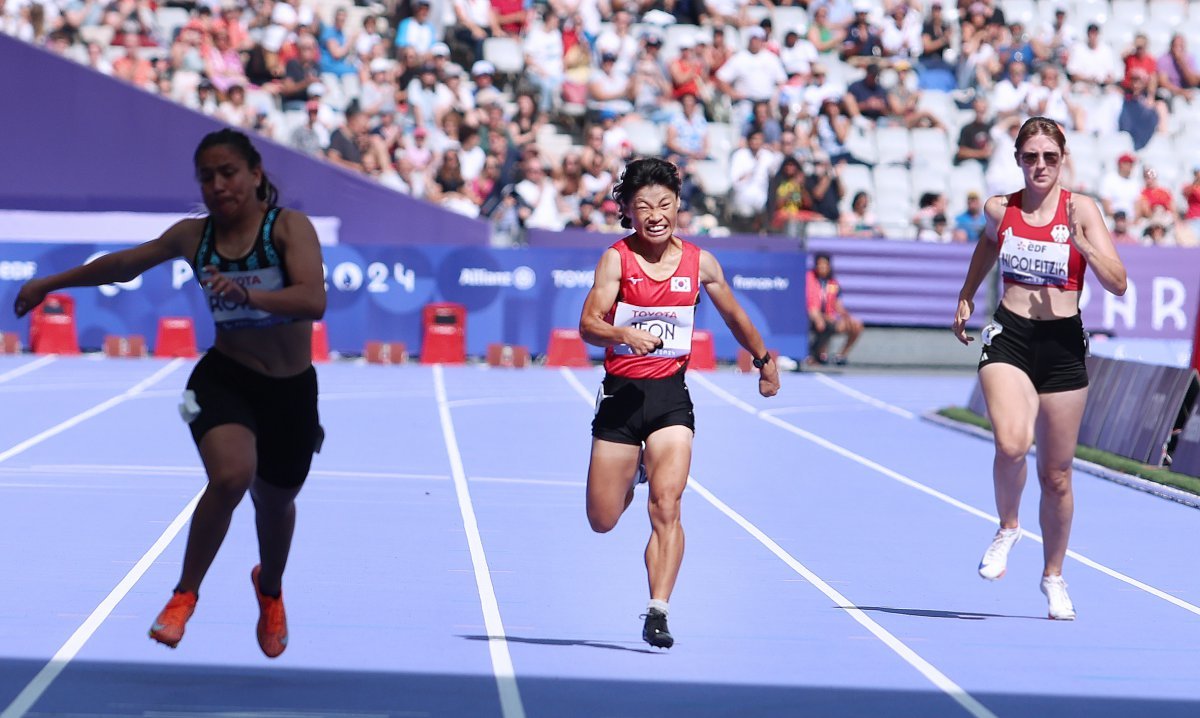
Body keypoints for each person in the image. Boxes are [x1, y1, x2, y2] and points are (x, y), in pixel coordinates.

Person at [13, 129, 327, 656]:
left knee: (276, 505)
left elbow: (312, 300)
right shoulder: (192, 236)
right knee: (230, 477)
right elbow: (123, 264)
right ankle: (185, 593)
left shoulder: (289, 228)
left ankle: (269, 590)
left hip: (290, 390)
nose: (218, 185)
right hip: (224, 378)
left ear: (254, 175)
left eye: (228, 173)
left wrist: (252, 295)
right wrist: (51, 282)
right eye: (206, 177)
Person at [578, 157, 780, 649]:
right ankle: (634, 470)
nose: (655, 214)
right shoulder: (616, 260)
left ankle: (658, 609)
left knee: (667, 505)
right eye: (643, 205)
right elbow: (588, 324)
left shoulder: (700, 262)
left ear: (677, 207)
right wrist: (622, 332)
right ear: (627, 210)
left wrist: (763, 359)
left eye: (665, 204)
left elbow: (733, 313)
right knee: (602, 520)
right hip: (621, 397)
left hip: (671, 397)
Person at [951, 116, 1127, 621]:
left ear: (1062, 158)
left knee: (1057, 475)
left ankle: (1053, 575)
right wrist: (966, 295)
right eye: (1031, 157)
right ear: (1018, 160)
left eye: (1050, 157)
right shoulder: (1001, 209)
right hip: (1011, 333)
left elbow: (1118, 283)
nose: (1040, 165)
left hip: (1063, 343)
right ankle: (1009, 525)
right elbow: (988, 242)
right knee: (1010, 442)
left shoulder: (1082, 209)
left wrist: (1084, 244)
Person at [806, 252, 863, 365]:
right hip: (811, 317)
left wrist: (847, 317)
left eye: (825, 264)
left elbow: (837, 305)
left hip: (829, 318)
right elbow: (810, 304)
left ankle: (840, 356)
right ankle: (817, 353)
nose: (822, 267)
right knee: (824, 324)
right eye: (820, 264)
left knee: (856, 325)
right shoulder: (809, 279)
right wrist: (818, 318)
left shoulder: (833, 283)